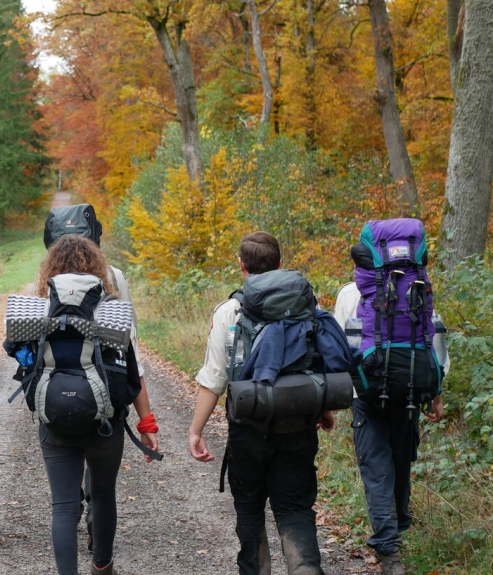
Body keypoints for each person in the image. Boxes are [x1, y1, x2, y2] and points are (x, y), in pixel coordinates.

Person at [188, 231, 336, 575]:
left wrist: (196, 431)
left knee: (250, 509)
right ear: (280, 263)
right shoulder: (306, 306)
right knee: (295, 508)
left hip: (248, 429)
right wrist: (325, 410)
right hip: (298, 423)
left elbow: (214, 378)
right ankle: (305, 568)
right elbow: (316, 363)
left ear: (241, 264)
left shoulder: (229, 311)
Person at [31, 234, 158, 575]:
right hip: (106, 422)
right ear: (97, 268)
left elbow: (25, 366)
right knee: (102, 495)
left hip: (54, 419)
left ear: (51, 269)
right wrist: (147, 424)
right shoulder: (114, 311)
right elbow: (133, 372)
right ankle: (102, 565)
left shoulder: (39, 310)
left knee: (62, 506)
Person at [333, 281, 446, 575]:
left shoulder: (350, 293)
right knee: (400, 463)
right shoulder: (416, 283)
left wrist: (331, 400)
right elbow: (433, 340)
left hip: (366, 395)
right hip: (409, 392)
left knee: (376, 469)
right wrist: (436, 395)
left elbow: (340, 347)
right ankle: (397, 529)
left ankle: (389, 548)